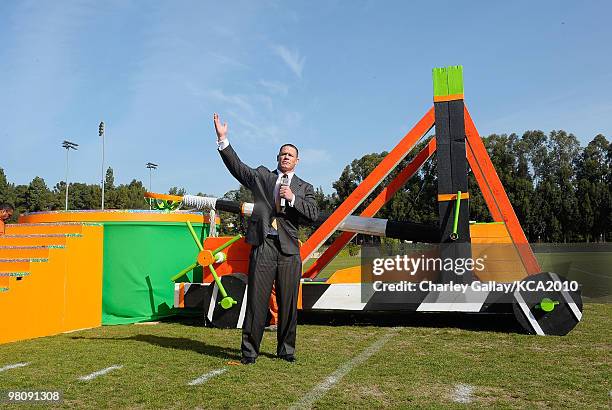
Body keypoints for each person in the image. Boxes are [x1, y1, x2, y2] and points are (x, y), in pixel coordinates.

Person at [213, 113, 318, 364]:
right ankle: (249, 352)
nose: (285, 157)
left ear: (297, 161)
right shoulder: (262, 176)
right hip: (263, 245)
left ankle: (286, 351)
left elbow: (312, 215)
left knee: (288, 302)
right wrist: (223, 139)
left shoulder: (305, 188)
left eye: (290, 155)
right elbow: (238, 168)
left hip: (290, 249)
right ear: (277, 158)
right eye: (282, 154)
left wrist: (292, 198)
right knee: (257, 302)